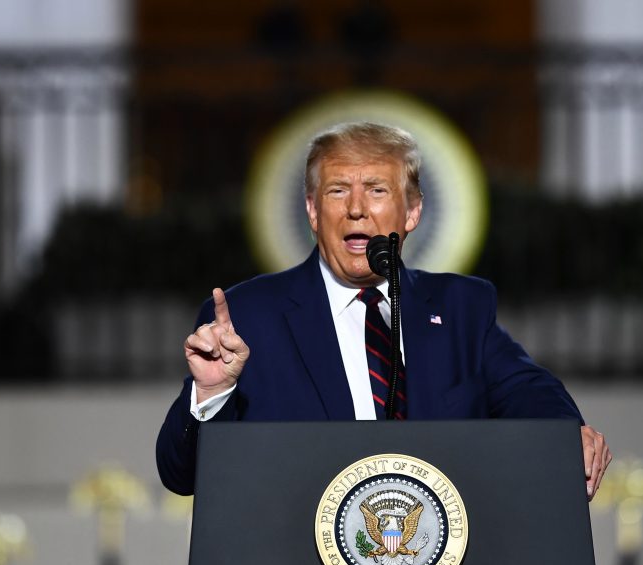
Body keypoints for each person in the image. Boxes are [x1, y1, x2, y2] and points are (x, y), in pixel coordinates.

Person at [156, 121, 611, 496]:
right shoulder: (247, 319)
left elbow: (529, 390)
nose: (356, 209)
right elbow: (181, 475)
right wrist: (211, 396)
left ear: (412, 212)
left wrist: (566, 432)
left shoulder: (460, 309)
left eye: (376, 190)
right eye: (337, 191)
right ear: (313, 211)